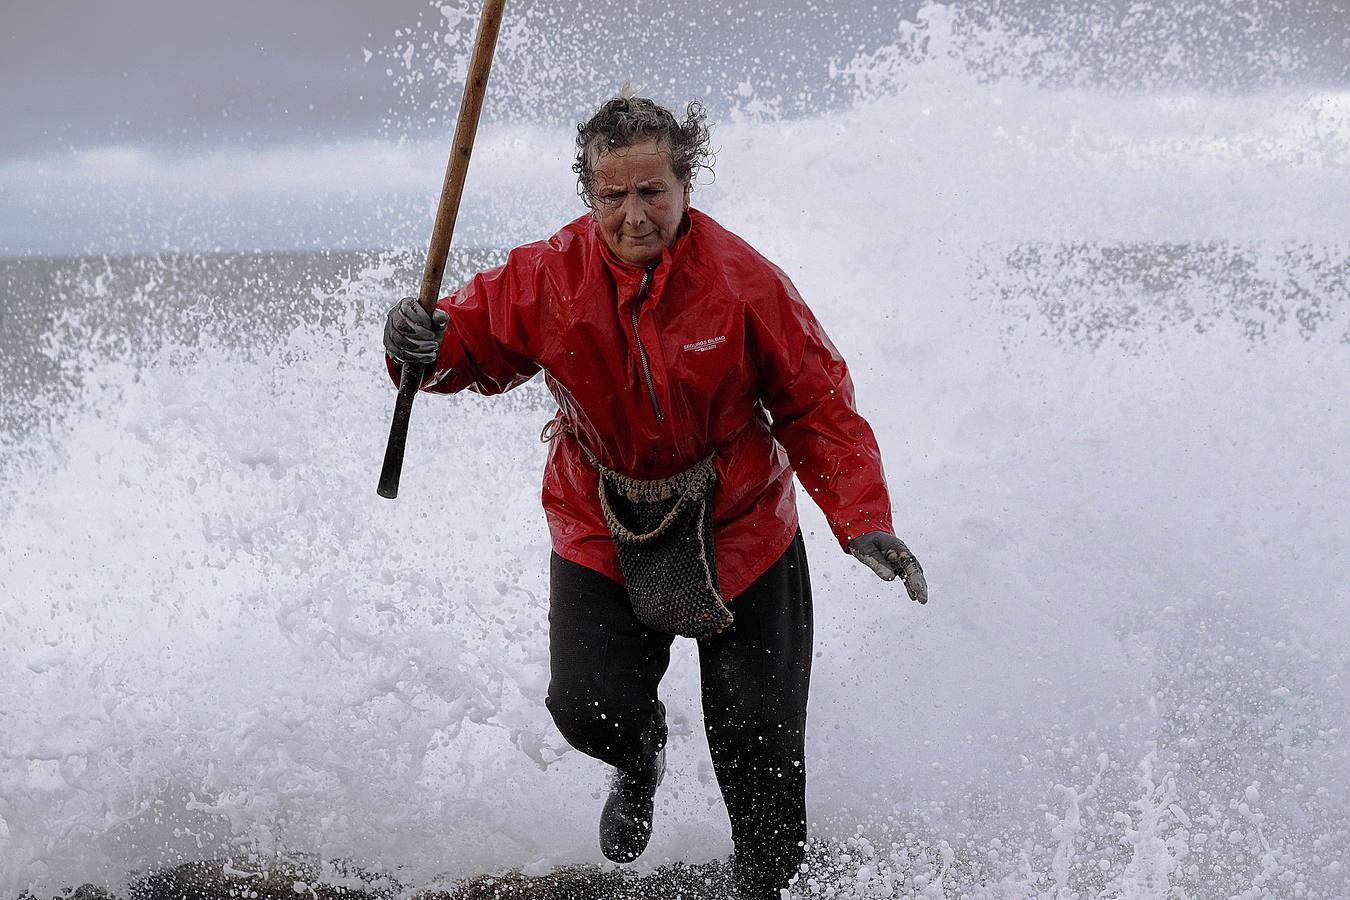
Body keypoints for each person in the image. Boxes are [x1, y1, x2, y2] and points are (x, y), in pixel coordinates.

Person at [383, 93, 927, 900]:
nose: (634, 215)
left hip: (742, 527)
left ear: (685, 187)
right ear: (589, 194)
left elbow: (818, 406)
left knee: (758, 742)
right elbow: (463, 348)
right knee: (585, 707)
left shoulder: (745, 281)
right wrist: (415, 344)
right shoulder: (544, 277)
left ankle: (769, 889)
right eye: (614, 196)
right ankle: (639, 764)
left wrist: (864, 521)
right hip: (600, 519)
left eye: (653, 194)